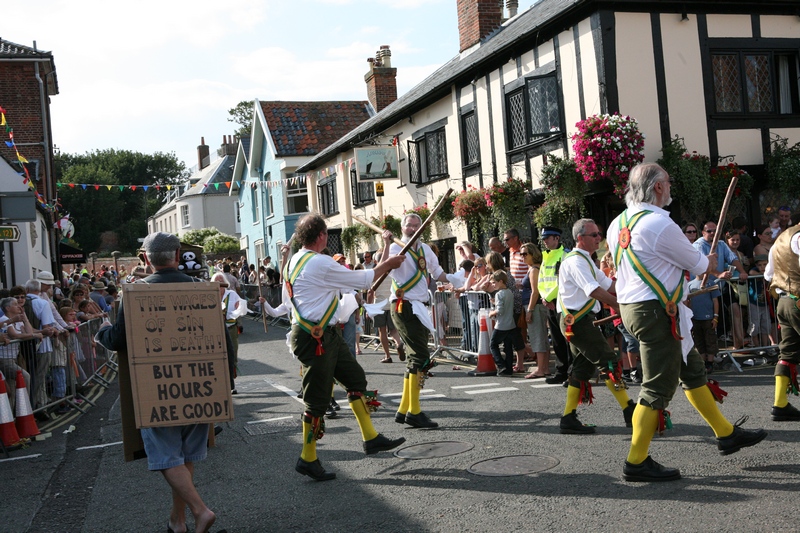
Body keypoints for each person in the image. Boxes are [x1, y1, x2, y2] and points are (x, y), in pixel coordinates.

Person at [608, 162, 766, 482]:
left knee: (692, 370)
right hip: (655, 313)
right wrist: (706, 261)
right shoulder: (659, 224)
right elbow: (696, 264)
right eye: (668, 182)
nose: (670, 187)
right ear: (658, 188)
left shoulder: (618, 223)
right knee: (655, 388)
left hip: (640, 308)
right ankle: (636, 461)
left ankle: (725, 433)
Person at [96, 233, 219, 533]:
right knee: (184, 456)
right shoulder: (202, 288)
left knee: (166, 456)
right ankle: (178, 522)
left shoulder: (135, 292)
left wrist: (102, 331)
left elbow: (118, 339)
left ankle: (200, 511)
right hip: (199, 384)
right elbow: (219, 339)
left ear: (146, 259)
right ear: (178, 254)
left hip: (158, 387)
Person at [285, 214, 407, 481]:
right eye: (326, 233)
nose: (327, 237)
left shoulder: (297, 259)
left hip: (325, 334)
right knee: (316, 401)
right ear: (320, 236)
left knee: (355, 379)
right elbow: (364, 279)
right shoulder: (319, 262)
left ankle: (370, 437)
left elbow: (348, 283)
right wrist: (389, 263)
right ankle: (307, 458)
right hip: (314, 338)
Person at [556, 218, 634, 434]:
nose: (599, 238)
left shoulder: (587, 260)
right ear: (580, 238)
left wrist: (638, 292)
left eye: (599, 234)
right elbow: (593, 290)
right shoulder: (575, 262)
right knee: (608, 362)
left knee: (583, 368)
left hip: (581, 320)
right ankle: (629, 410)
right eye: (594, 235)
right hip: (577, 321)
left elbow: (609, 285)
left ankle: (568, 418)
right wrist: (619, 306)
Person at [383, 213, 452, 429]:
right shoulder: (395, 247)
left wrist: (455, 280)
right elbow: (383, 267)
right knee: (420, 357)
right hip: (404, 306)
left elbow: (438, 273)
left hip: (420, 307)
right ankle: (414, 412)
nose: (413, 228)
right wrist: (385, 244)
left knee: (415, 357)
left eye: (416, 225)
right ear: (402, 227)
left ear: (421, 228)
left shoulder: (426, 249)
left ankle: (404, 409)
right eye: (409, 225)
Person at [764, 222, 800, 421]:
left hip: (784, 301)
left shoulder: (781, 238)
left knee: (788, 353)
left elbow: (768, 274)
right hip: (798, 301)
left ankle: (780, 404)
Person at [695, 221, 748, 349]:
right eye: (709, 231)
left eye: (715, 230)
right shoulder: (698, 245)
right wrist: (718, 274)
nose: (713, 233)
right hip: (704, 288)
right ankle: (709, 353)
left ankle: (738, 344)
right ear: (703, 233)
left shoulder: (722, 244)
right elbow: (702, 265)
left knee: (736, 310)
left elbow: (732, 258)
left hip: (721, 286)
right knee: (708, 321)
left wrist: (742, 272)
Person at [538, 226, 572, 384]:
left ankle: (572, 373)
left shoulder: (565, 254)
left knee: (568, 338)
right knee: (557, 339)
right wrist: (544, 297)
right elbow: (541, 279)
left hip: (562, 302)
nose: (544, 241)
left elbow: (562, 280)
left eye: (547, 238)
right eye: (543, 239)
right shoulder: (546, 256)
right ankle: (561, 371)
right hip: (549, 302)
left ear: (557, 238)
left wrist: (549, 297)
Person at [0, 296, 41, 412]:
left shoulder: (17, 320)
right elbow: (15, 336)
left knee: (12, 390)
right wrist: (34, 336)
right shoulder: (4, 319)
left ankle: (12, 418)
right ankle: (25, 408)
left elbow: (29, 332)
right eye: (15, 304)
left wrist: (25, 318)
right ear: (8, 308)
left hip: (13, 357)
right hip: (4, 359)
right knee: (24, 376)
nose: (19, 306)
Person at [521, 243, 550, 379]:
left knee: (537, 337)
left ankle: (541, 369)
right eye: (521, 254)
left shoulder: (534, 269)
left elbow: (535, 292)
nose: (522, 257)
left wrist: (530, 309)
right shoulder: (533, 268)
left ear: (533, 254)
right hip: (537, 306)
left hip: (535, 306)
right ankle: (544, 368)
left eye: (525, 254)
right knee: (541, 337)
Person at [688, 276, 721, 374]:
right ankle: (702, 363)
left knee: (710, 340)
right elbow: (687, 302)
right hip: (695, 318)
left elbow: (715, 301)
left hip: (708, 318)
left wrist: (715, 317)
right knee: (698, 340)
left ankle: (710, 362)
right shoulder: (689, 285)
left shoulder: (711, 284)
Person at [487, 271, 516, 375]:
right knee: (508, 347)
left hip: (501, 325)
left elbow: (500, 310)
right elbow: (506, 305)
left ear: (500, 281)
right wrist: (496, 303)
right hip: (510, 324)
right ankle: (509, 368)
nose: (492, 285)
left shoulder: (499, 294)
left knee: (493, 345)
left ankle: (501, 365)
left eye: (494, 282)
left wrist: (491, 313)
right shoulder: (509, 292)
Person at [748, 255, 772, 348]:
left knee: (766, 326)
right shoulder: (754, 271)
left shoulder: (769, 272)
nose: (762, 267)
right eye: (760, 265)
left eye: (765, 264)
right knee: (754, 326)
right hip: (754, 303)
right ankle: (757, 346)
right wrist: (763, 276)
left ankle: (765, 346)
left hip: (765, 304)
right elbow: (751, 272)